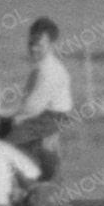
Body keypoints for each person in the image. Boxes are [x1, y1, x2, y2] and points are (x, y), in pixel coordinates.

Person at [11, 18, 78, 182]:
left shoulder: (48, 71)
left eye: (39, 44)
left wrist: (14, 118)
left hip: (48, 119)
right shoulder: (43, 67)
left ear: (51, 45)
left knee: (5, 147)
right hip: (47, 119)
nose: (33, 48)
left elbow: (31, 108)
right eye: (31, 43)